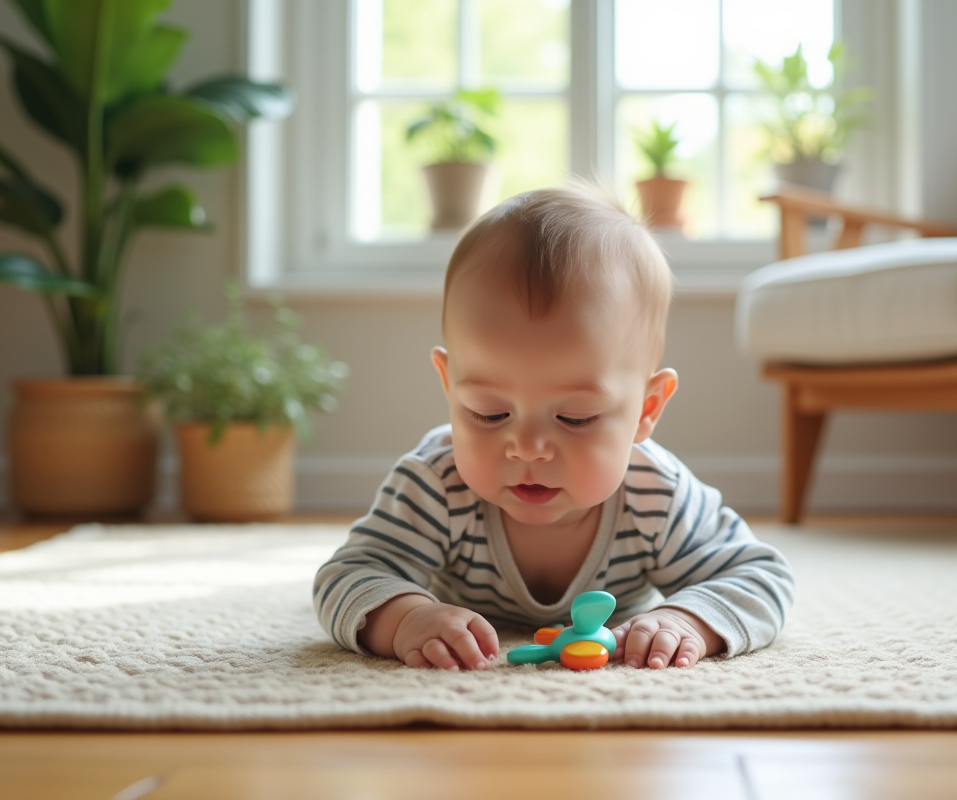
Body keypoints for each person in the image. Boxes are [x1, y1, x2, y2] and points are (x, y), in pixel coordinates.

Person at [314, 184, 795, 671]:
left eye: (576, 418)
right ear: (449, 386)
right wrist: (406, 619)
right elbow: (349, 575)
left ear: (646, 409)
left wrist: (688, 620)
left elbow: (760, 576)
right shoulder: (435, 485)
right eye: (488, 412)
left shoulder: (656, 494)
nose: (528, 449)